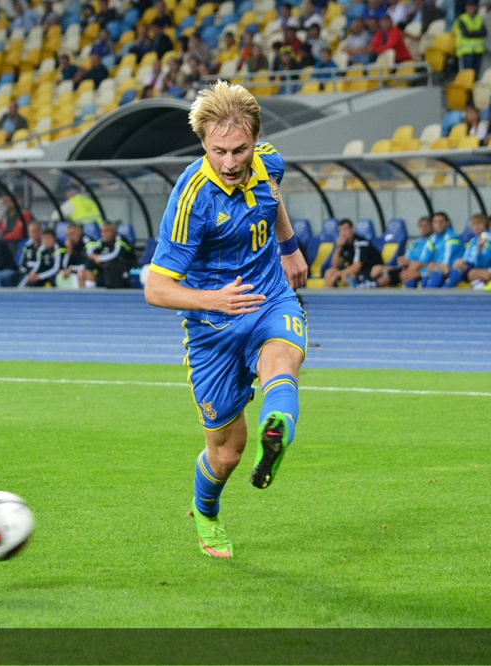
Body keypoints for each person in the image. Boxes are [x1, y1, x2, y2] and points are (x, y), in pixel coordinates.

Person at [144, 81, 309, 559]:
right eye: (219, 151)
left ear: (256, 140)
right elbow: (156, 289)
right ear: (203, 144)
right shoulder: (192, 199)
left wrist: (288, 247)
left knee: (283, 359)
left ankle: (277, 425)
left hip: (268, 299)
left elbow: (273, 195)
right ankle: (207, 513)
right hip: (212, 331)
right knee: (227, 452)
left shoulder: (268, 161)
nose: (231, 162)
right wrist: (214, 300)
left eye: (240, 150)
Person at [371, 215, 431, 287]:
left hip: (418, 269)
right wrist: (402, 261)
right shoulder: (415, 243)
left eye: (426, 226)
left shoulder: (433, 241)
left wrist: (410, 263)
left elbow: (426, 262)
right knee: (376, 268)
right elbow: (407, 258)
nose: (423, 228)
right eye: (421, 226)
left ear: (431, 226)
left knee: (388, 277)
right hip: (405, 267)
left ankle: (371, 286)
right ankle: (369, 285)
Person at [323, 218, 382, 287]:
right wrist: (338, 248)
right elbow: (335, 265)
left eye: (345, 229)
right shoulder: (343, 244)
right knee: (329, 272)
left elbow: (356, 267)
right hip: (358, 271)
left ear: (352, 230)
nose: (343, 233)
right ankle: (328, 293)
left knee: (347, 276)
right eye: (340, 230)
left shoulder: (361, 243)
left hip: (370, 271)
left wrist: (337, 275)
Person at [79, 221, 136, 288]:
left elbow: (115, 255)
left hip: (123, 269)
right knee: (89, 264)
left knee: (111, 265)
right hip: (106, 268)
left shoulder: (120, 240)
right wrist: (94, 257)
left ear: (114, 231)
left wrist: (99, 258)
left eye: (107, 231)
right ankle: (89, 289)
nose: (104, 234)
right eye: (102, 231)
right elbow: (89, 251)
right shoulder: (102, 241)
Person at [17, 223, 63, 287]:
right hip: (39, 273)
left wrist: (39, 276)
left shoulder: (59, 248)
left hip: (55, 274)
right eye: (44, 239)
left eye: (48, 238)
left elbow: (56, 268)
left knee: (53, 279)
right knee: (30, 279)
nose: (46, 241)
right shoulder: (33, 247)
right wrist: (33, 274)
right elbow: (39, 264)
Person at [454, 2, 486, 77]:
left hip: (478, 50)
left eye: (473, 7)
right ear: (466, 8)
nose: (471, 9)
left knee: (476, 73)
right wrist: (477, 32)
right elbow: (466, 33)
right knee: (467, 73)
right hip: (466, 50)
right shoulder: (462, 19)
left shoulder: (478, 19)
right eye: (469, 7)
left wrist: (471, 32)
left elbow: (484, 32)